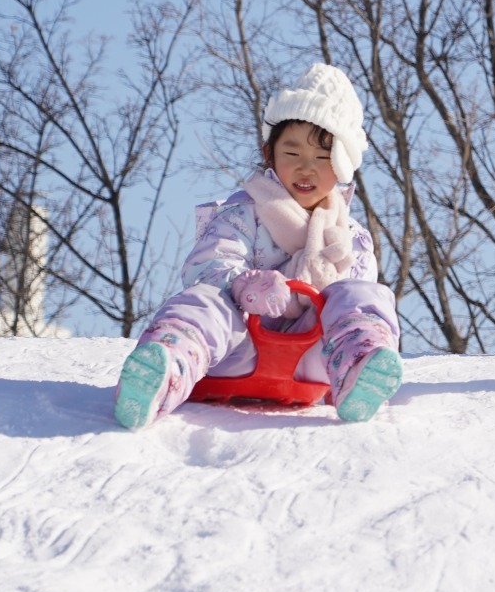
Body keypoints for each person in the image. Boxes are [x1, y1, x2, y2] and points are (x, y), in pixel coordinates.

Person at [114, 62, 403, 428]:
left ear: (342, 166)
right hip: (235, 349)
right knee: (205, 300)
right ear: (270, 154)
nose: (306, 169)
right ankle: (165, 369)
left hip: (310, 359)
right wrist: (244, 286)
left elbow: (352, 300)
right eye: (293, 154)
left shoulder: (351, 238)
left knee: (364, 294)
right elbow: (206, 267)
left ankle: (358, 366)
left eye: (322, 158)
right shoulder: (243, 214)